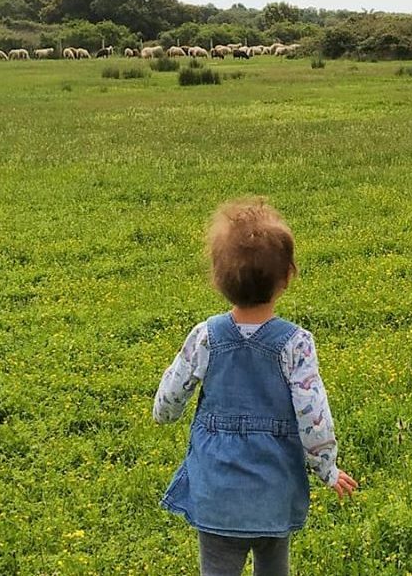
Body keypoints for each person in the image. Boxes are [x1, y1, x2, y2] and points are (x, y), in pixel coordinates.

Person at [153, 197, 357, 576]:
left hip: (217, 490)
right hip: (274, 490)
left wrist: (164, 412)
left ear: (217, 279)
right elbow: (314, 416)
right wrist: (325, 467)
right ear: (286, 278)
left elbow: (171, 392)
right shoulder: (296, 343)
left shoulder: (206, 337)